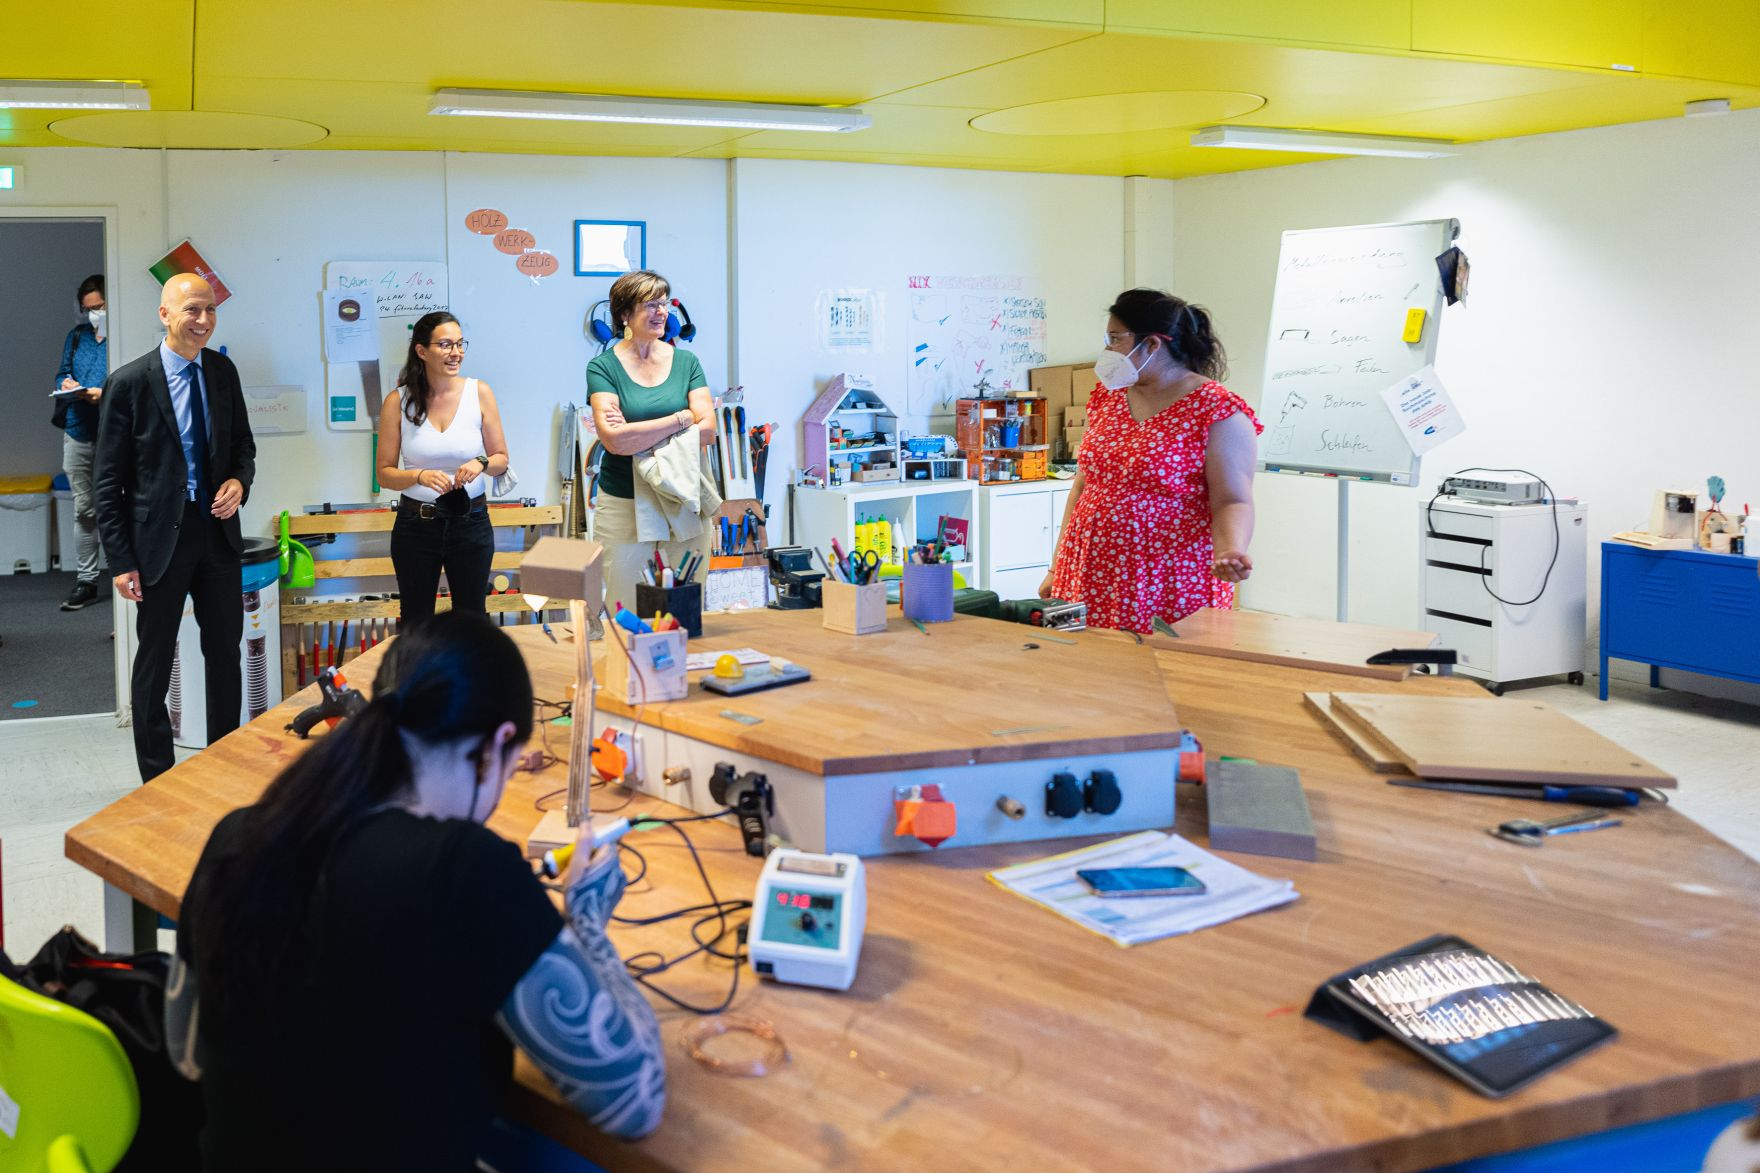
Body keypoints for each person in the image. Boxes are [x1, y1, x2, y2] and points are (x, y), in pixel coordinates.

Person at [166, 612, 665, 1168]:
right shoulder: (465, 871)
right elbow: (635, 1103)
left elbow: (185, 1049)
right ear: (496, 744)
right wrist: (588, 923)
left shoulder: (238, 835)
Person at [94, 274, 256, 782]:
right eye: (192, 310)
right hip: (157, 541)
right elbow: (107, 481)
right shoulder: (130, 382)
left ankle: (223, 763)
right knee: (155, 659)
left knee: (224, 651)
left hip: (217, 531)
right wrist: (120, 560)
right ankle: (158, 778)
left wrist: (238, 481)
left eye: (210, 310)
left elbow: (244, 447)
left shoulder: (223, 372)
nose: (203, 320)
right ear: (165, 314)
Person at [1041, 289, 1261, 633]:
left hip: (1166, 578)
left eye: (1116, 339)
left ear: (1153, 344)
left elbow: (1232, 498)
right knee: (1087, 671)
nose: (1108, 350)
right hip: (1089, 569)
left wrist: (1230, 550)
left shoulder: (1216, 410)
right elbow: (1083, 486)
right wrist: (1056, 567)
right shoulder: (1107, 396)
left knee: (1165, 674)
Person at [586, 270, 715, 614]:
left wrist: (638, 431)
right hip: (624, 499)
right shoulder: (602, 368)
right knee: (624, 606)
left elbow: (708, 431)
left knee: (684, 605)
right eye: (650, 305)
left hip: (681, 494)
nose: (661, 313)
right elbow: (614, 441)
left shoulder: (687, 362)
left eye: (664, 304)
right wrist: (681, 419)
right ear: (625, 314)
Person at [376, 311, 510, 624]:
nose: (456, 353)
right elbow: (384, 473)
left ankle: (471, 675)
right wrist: (418, 475)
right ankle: (420, 675)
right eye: (446, 345)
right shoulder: (398, 401)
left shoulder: (480, 392)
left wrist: (481, 462)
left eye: (460, 344)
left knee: (472, 619)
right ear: (422, 351)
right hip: (416, 526)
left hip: (471, 522)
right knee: (416, 621)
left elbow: (501, 458)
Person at [52, 273, 109, 611]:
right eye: (88, 309)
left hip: (113, 434)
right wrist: (69, 383)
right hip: (77, 429)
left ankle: (124, 578)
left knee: (117, 508)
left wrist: (106, 394)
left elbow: (135, 384)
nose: (94, 314)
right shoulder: (76, 338)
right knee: (84, 509)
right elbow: (60, 374)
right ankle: (86, 581)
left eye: (99, 307)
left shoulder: (122, 337)